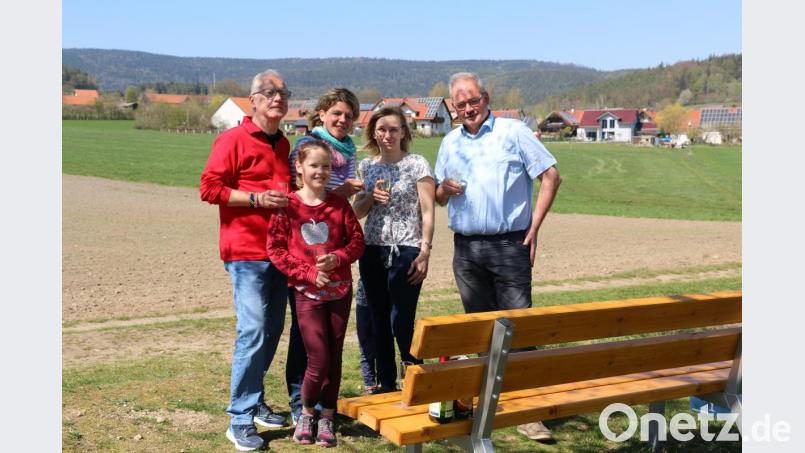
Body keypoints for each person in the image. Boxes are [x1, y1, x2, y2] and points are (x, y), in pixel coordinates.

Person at [434, 72, 562, 442]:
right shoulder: (449, 142)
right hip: (466, 248)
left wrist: (534, 226)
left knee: (517, 329)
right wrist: (443, 189)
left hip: (509, 245)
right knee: (480, 330)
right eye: (461, 104)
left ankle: (528, 413)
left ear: (486, 98)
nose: (468, 108)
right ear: (453, 108)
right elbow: (438, 196)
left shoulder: (514, 131)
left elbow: (551, 176)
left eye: (473, 101)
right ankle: (487, 406)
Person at [199, 69, 293, 451]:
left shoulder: (284, 144)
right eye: (269, 92)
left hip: (281, 252)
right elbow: (209, 188)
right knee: (252, 331)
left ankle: (254, 401)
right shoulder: (231, 140)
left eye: (283, 93)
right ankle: (239, 419)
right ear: (253, 100)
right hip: (245, 252)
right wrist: (255, 199)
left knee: (271, 332)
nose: (278, 98)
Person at [266, 140, 365, 447]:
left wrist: (338, 258)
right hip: (305, 293)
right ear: (299, 167)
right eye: (314, 165)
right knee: (318, 357)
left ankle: (327, 417)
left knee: (334, 357)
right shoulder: (287, 206)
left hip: (339, 292)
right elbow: (276, 250)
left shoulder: (339, 205)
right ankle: (307, 412)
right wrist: (308, 273)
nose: (320, 171)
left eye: (326, 166)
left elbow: (357, 242)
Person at [284, 88, 365, 424]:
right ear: (321, 114)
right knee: (305, 337)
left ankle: (322, 406)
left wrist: (359, 199)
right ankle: (299, 402)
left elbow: (349, 213)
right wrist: (339, 193)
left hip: (335, 256)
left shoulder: (349, 149)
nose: (343, 120)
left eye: (349, 115)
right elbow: (298, 193)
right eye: (337, 113)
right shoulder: (307, 145)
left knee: (330, 342)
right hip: (306, 255)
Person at [352, 106, 436, 392]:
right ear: (374, 133)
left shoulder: (417, 164)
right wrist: (370, 198)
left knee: (401, 320)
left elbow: (428, 211)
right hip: (372, 249)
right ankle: (386, 384)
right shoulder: (367, 166)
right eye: (382, 130)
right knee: (378, 319)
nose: (387, 135)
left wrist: (425, 252)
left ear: (403, 132)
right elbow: (357, 212)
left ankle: (416, 379)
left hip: (407, 249)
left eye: (393, 129)